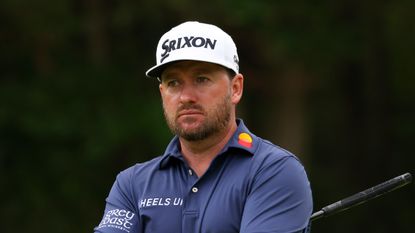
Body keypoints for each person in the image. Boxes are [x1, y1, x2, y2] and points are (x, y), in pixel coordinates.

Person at [94, 21, 313, 233]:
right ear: (162, 93)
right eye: (173, 83)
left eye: (201, 79)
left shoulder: (274, 171)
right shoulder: (132, 185)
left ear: (235, 88)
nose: (186, 97)